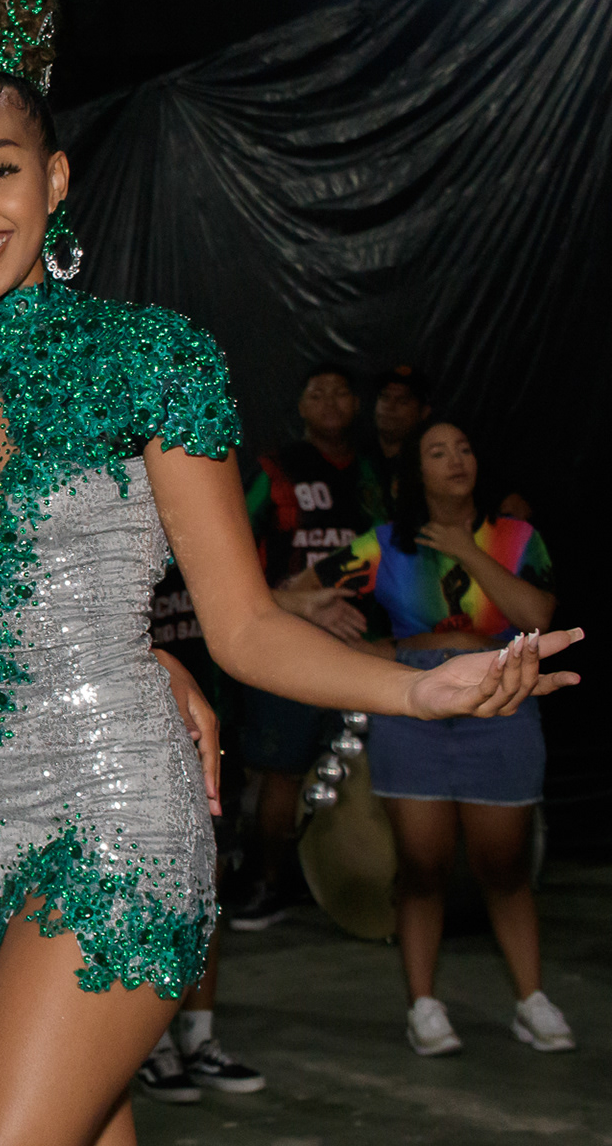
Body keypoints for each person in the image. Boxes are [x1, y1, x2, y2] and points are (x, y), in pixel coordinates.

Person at [0, 0, 578, 1146]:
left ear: (56, 177)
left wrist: (421, 689)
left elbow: (242, 625)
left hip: (115, 807)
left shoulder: (152, 357)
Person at [285, 421, 573, 1056]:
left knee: (505, 864)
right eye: (437, 452)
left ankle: (532, 1000)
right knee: (421, 866)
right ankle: (423, 1005)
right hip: (413, 706)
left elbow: (535, 616)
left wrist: (466, 549)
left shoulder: (515, 536)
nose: (455, 460)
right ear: (415, 473)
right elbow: (284, 599)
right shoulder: (387, 543)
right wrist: (356, 640)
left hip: (502, 699)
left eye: (464, 448)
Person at [233, 363, 389, 930]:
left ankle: (367, 884)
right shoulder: (275, 470)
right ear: (300, 408)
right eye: (316, 393)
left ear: (357, 404)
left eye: (341, 391)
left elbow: (399, 546)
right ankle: (266, 882)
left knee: (369, 767)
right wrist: (286, 604)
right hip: (289, 641)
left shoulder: (374, 473)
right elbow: (233, 549)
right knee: (281, 770)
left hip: (364, 641)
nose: (330, 401)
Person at [135, 565, 264, 1103]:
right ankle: (150, 1043)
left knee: (204, 895)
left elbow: (253, 617)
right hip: (131, 746)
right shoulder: (128, 557)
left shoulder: (197, 554)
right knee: (141, 896)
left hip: (208, 730)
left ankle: (199, 1036)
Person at [369, 365, 432, 501]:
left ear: (424, 412)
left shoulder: (429, 465)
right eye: (384, 398)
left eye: (402, 401)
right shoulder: (354, 453)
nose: (390, 407)